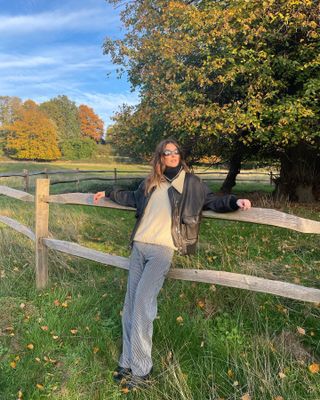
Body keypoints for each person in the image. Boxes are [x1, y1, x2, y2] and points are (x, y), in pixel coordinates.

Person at [93, 139, 251, 392]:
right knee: (130, 304)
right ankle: (126, 362)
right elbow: (132, 197)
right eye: (167, 152)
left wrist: (234, 202)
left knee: (143, 306)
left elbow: (212, 200)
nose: (172, 155)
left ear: (180, 156)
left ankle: (142, 370)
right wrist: (108, 193)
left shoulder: (191, 183)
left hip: (162, 251)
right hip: (138, 248)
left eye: (176, 152)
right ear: (161, 157)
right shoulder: (151, 182)